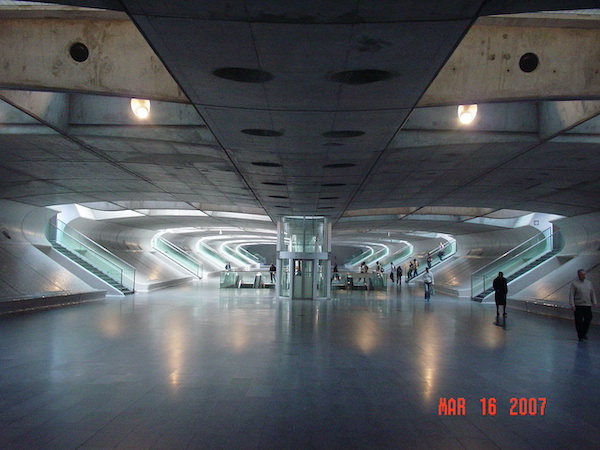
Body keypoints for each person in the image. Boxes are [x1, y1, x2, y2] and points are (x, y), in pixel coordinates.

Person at [569, 269, 597, 342]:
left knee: (588, 318)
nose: (583, 276)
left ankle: (583, 332)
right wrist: (572, 304)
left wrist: (594, 302)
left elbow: (592, 293)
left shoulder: (589, 283)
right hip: (578, 305)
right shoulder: (574, 284)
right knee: (579, 321)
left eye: (584, 274)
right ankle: (580, 335)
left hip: (587, 305)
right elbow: (571, 295)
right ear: (578, 275)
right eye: (582, 274)